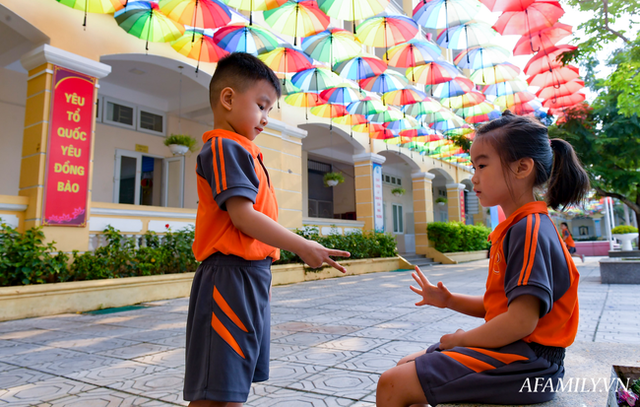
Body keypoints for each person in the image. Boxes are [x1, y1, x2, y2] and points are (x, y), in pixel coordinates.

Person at [376, 111, 590, 407]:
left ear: (522, 167)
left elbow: (520, 322)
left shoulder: (529, 229)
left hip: (530, 365)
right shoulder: (519, 226)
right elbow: (502, 307)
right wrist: (449, 300)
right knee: (404, 364)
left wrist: (462, 339)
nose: (474, 177)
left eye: (482, 165)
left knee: (392, 382)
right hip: (520, 355)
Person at [184, 53, 350, 407]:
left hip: (252, 277)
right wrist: (303, 245)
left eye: (270, 110)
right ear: (228, 99)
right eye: (261, 105)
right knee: (218, 389)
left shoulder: (244, 150)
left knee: (232, 384)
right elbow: (243, 216)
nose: (266, 119)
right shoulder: (223, 147)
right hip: (229, 278)